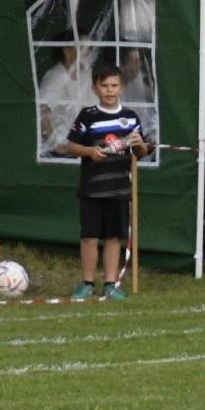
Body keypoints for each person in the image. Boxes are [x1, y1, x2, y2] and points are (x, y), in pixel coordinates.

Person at [60, 62, 150, 298]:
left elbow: (140, 153)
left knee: (113, 237)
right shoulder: (88, 116)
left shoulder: (130, 118)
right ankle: (87, 283)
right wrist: (89, 152)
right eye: (105, 86)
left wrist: (141, 147)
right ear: (95, 89)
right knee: (89, 237)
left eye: (114, 86)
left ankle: (110, 284)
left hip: (119, 189)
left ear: (121, 88)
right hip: (92, 189)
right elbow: (70, 146)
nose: (110, 90)